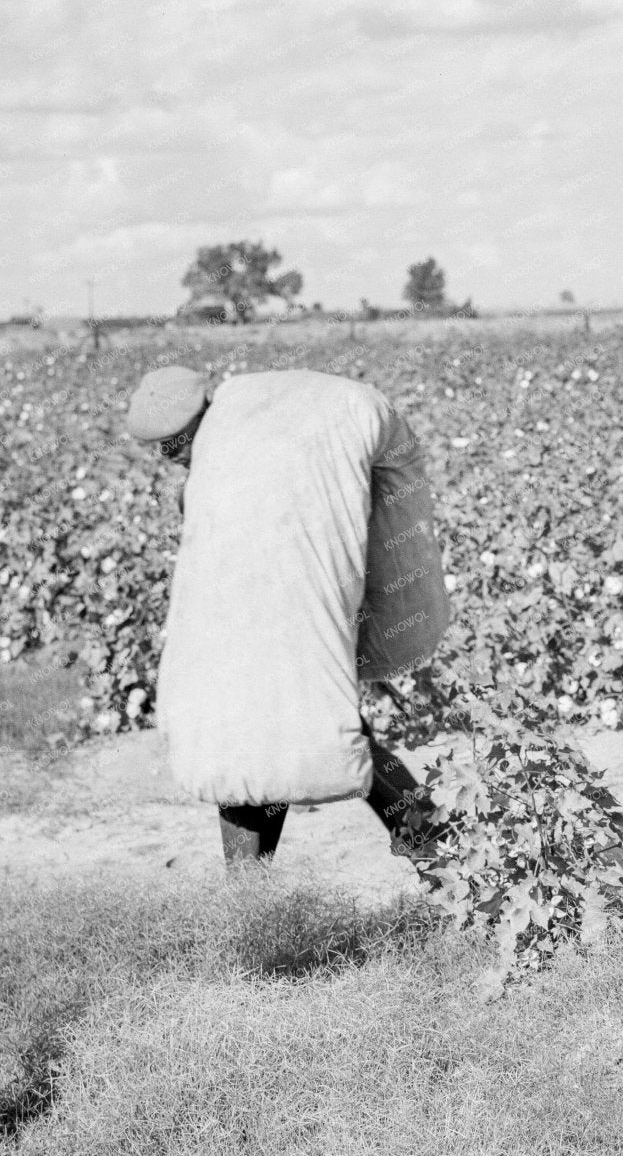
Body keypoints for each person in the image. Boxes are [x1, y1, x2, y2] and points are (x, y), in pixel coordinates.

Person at [124, 364, 445, 872]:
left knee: (274, 746)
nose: (169, 458)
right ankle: (434, 851)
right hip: (254, 627)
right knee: (270, 750)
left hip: (287, 624)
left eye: (174, 444)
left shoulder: (236, 455)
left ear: (202, 418)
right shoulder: (218, 467)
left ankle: (433, 851)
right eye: (161, 448)